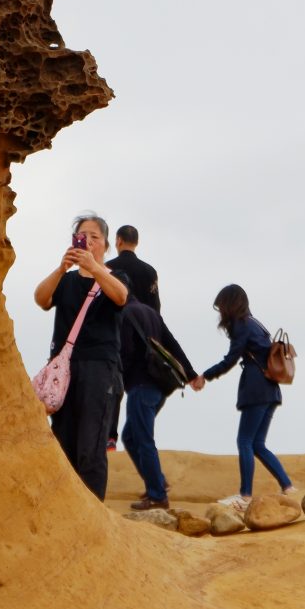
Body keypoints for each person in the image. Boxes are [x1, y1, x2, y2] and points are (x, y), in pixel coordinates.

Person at [34, 213, 129, 500]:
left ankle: (93, 510)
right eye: (82, 236)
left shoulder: (114, 278)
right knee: (63, 440)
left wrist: (95, 268)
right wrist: (62, 268)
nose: (88, 241)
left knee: (92, 442)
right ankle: (67, 504)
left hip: (100, 368)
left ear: (106, 245)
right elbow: (41, 299)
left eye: (95, 237)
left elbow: (121, 296)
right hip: (65, 370)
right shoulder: (66, 281)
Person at [190, 284, 293, 511]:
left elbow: (230, 359)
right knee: (257, 443)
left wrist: (204, 376)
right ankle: (287, 486)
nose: (220, 313)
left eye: (221, 307)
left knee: (245, 441)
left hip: (256, 387)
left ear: (229, 305)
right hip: (271, 388)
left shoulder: (241, 325)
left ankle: (245, 496)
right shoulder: (256, 323)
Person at [121, 295, 199, 511]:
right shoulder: (151, 312)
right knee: (130, 436)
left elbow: (125, 353)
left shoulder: (125, 313)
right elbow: (172, 343)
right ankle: (157, 480)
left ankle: (157, 496)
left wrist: (117, 378)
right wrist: (190, 374)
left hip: (141, 385)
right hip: (160, 387)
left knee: (143, 439)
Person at [105, 225, 160, 450]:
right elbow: (156, 309)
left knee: (114, 386)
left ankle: (110, 436)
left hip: (115, 333)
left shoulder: (108, 269)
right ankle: (142, 438)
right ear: (136, 242)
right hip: (144, 339)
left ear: (118, 241)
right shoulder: (149, 271)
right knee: (140, 387)